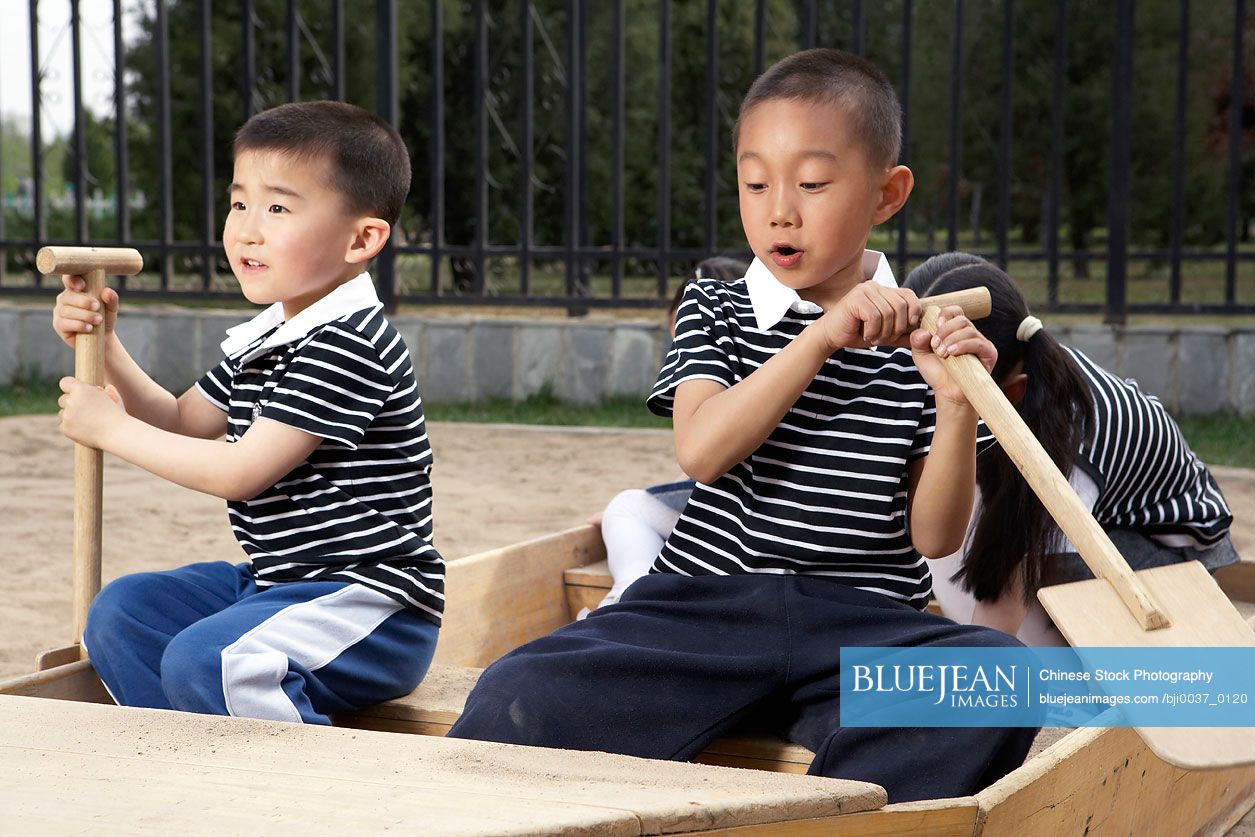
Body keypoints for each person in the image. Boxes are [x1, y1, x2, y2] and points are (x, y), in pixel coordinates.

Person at [448, 49, 1037, 803]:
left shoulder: (925, 339)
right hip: (701, 608)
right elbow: (702, 450)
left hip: (859, 623)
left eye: (812, 183)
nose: (778, 209)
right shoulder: (715, 307)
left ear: (886, 194)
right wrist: (820, 337)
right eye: (754, 183)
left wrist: (956, 402)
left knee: (998, 678)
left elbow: (934, 537)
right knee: (516, 688)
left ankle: (833, 810)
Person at [52, 101, 444, 724]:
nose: (247, 229)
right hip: (277, 584)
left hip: (369, 606)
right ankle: (188, 755)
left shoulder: (349, 341)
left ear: (362, 238)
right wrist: (105, 345)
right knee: (124, 611)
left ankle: (300, 791)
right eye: (239, 203)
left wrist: (111, 429)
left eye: (278, 208)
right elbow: (180, 420)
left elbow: (241, 471)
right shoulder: (271, 336)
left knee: (209, 660)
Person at [903, 253, 1238, 645]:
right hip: (1094, 521)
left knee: (1013, 563)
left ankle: (1066, 687)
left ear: (1012, 390)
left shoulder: (1070, 433)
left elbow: (1010, 572)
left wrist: (972, 677)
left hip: (1164, 556)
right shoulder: (1028, 371)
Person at [584, 256, 749, 616]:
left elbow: (707, 461)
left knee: (626, 507)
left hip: (745, 518)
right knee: (636, 505)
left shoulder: (718, 348)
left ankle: (626, 600)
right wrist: (660, 497)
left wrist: (644, 505)